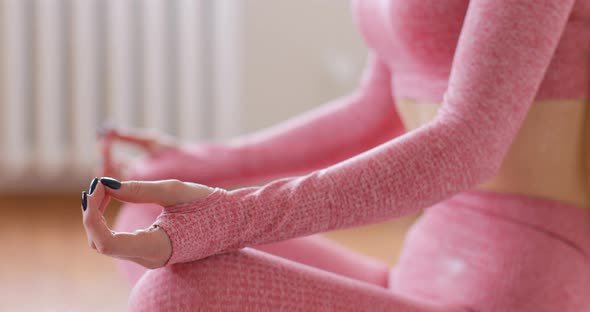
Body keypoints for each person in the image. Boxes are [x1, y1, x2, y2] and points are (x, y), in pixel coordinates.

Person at [81, 0, 590, 310]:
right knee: (146, 213)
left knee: (174, 297)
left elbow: (468, 146)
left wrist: (228, 216)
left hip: (518, 289)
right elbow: (372, 113)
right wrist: (196, 162)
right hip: (419, 273)